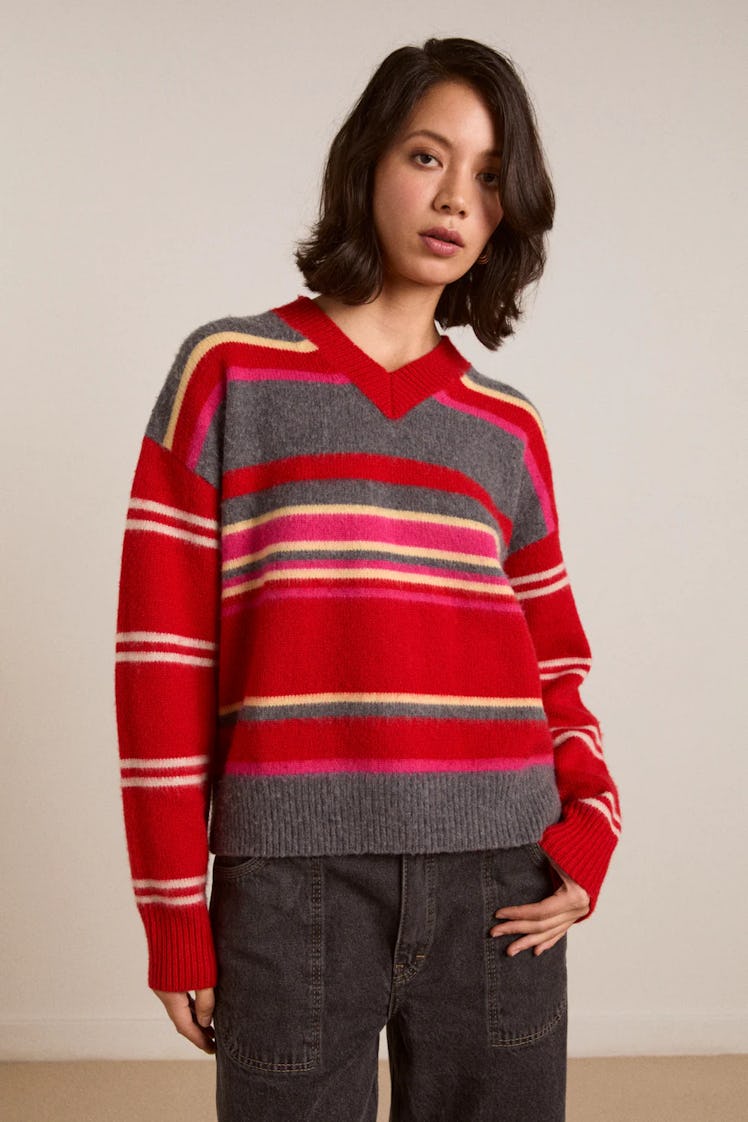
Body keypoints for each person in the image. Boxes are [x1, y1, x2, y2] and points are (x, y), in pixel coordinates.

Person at [114, 36, 621, 1122]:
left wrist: (590, 826)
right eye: (427, 156)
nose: (456, 199)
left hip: (502, 879)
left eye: (490, 176)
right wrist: (173, 915)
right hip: (291, 885)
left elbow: (555, 661)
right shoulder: (228, 373)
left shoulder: (505, 426)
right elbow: (161, 664)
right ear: (366, 163)